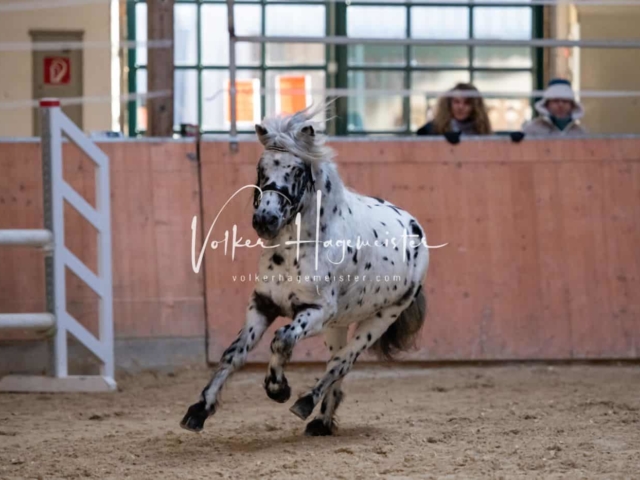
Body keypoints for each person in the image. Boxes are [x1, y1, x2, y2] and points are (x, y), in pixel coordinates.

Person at [416, 83, 492, 136]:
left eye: (467, 103)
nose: (461, 107)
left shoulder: (481, 129)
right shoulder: (434, 128)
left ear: (475, 107)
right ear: (449, 104)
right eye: (456, 102)